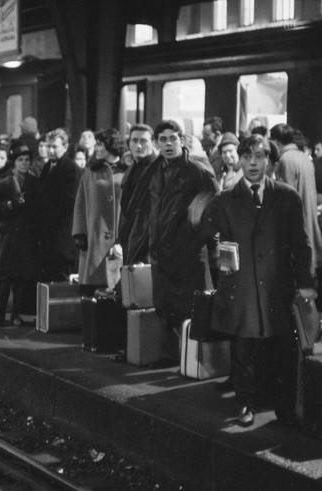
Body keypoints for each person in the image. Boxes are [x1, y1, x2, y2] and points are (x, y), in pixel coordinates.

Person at [203, 134, 316, 428]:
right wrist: (220, 253)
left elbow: (301, 245)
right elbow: (210, 236)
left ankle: (285, 409)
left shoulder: (287, 196)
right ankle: (246, 404)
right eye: (248, 156)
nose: (253, 163)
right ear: (240, 159)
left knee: (282, 351)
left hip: (277, 288)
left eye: (260, 156)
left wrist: (306, 283)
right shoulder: (225, 199)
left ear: (269, 161)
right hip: (240, 287)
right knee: (244, 350)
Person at [149, 119, 218, 361]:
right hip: (161, 249)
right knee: (165, 305)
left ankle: (193, 359)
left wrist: (194, 233)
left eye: (173, 138)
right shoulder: (156, 170)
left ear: (181, 140)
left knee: (188, 304)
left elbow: (211, 202)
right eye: (163, 139)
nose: (168, 143)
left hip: (187, 251)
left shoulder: (196, 171)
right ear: (156, 143)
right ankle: (171, 355)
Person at [0, 141, 39, 326]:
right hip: (6, 234)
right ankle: (1, 313)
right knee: (5, 277)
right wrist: (10, 205)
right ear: (14, 162)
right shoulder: (4, 179)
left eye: (27, 160)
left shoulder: (33, 181)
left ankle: (16, 313)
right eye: (21, 160)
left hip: (24, 234)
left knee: (20, 276)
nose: (24, 163)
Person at [73, 128, 127, 295]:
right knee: (93, 287)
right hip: (94, 238)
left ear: (111, 146)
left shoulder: (128, 170)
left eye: (100, 144)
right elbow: (80, 202)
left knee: (120, 287)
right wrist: (80, 233)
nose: (96, 148)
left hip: (120, 239)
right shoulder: (91, 171)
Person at [270, 123, 322, 279]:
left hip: (296, 224)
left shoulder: (285, 159)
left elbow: (287, 195)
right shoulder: (303, 157)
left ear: (277, 141)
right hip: (308, 218)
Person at [33, 128, 83, 281]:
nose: (50, 150)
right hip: (50, 238)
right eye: (48, 146)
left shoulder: (71, 169)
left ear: (65, 147)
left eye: (54, 147)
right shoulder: (48, 167)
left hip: (62, 239)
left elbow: (69, 203)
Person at [117, 124, 159, 265]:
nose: (138, 146)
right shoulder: (132, 168)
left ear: (153, 143)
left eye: (143, 141)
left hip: (148, 245)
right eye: (134, 141)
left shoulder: (159, 169)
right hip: (130, 238)